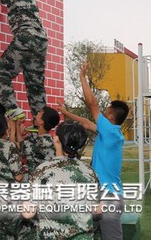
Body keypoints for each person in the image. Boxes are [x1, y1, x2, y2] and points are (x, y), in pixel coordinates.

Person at [58, 62, 129, 240]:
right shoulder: (109, 133)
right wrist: (67, 113)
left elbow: (92, 105)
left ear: (111, 117)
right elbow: (87, 123)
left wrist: (82, 77)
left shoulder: (112, 132)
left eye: (105, 113)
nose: (102, 114)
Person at [22, 120, 100, 239]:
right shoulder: (89, 172)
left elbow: (28, 213)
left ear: (56, 139)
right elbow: (97, 210)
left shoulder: (42, 170)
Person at [0, 0, 48, 122]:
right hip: (41, 41)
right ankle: (40, 122)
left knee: (1, 74)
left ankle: (12, 109)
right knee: (35, 85)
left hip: (25, 38)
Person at [17, 106, 60, 180]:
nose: (37, 113)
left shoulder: (42, 143)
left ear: (41, 122)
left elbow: (20, 146)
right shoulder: (44, 139)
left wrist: (15, 126)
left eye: (40, 113)